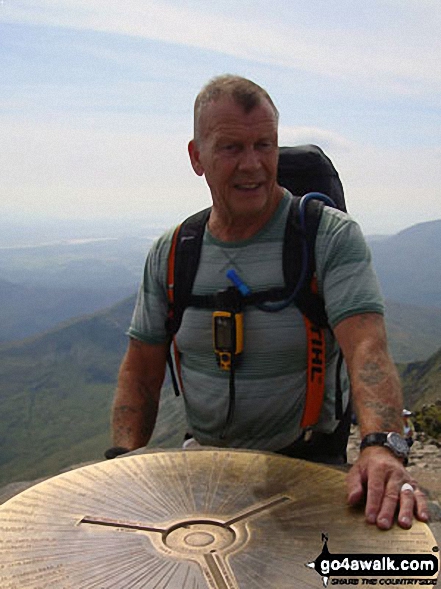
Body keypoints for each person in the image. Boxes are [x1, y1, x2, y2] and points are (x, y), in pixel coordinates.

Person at [111, 74, 428, 530]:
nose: (253, 164)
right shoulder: (174, 252)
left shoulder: (327, 237)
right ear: (196, 157)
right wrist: (123, 460)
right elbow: (141, 367)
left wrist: (381, 445)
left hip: (308, 464)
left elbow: (366, 349)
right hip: (204, 464)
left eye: (265, 145)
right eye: (231, 148)